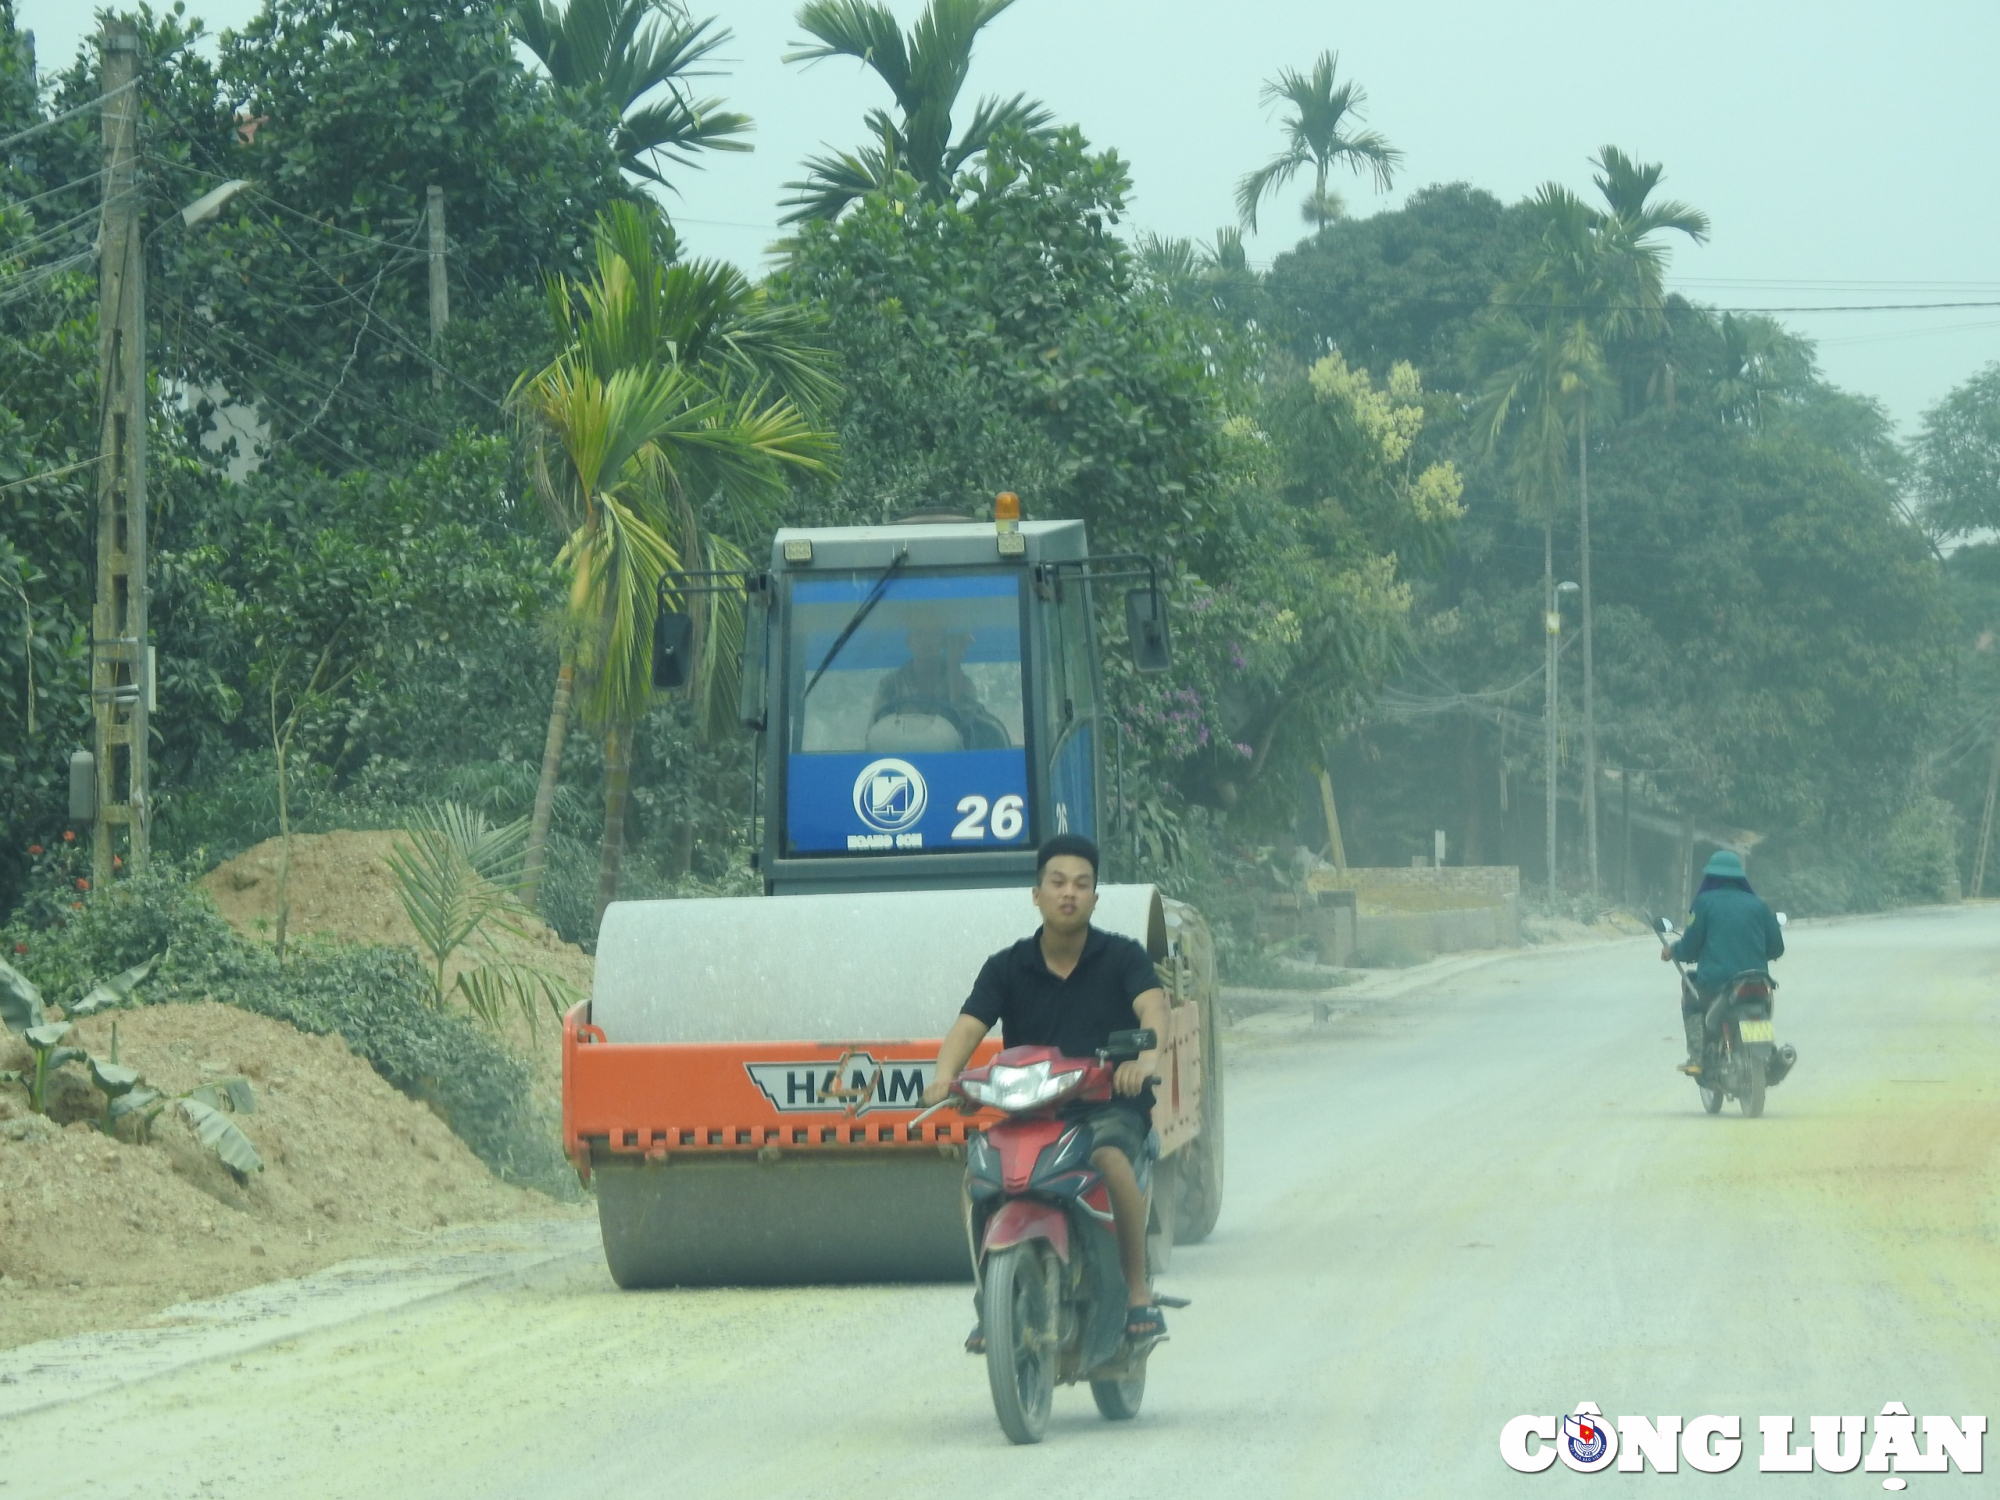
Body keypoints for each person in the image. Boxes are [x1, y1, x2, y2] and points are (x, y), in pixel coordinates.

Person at [922, 833, 1172, 1348]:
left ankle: (1138, 1293)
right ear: (1035, 894)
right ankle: (989, 1300)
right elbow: (968, 1027)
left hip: (1108, 1107)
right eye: (1057, 882)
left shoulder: (1122, 957)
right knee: (980, 1175)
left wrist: (1143, 1061)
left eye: (1082, 885)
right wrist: (944, 1076)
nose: (1069, 893)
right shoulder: (1007, 966)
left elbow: (1154, 1009)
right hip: (1031, 1113)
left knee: (1111, 1160)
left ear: (1095, 898)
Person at [1662, 849, 1785, 1075]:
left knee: (1691, 997)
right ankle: (1770, 1053)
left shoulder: (1704, 903)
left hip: (1716, 985)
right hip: (1757, 983)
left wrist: (1673, 950)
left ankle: (1697, 1056)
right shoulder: (1759, 905)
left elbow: (1689, 947)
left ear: (1711, 878)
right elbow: (1777, 947)